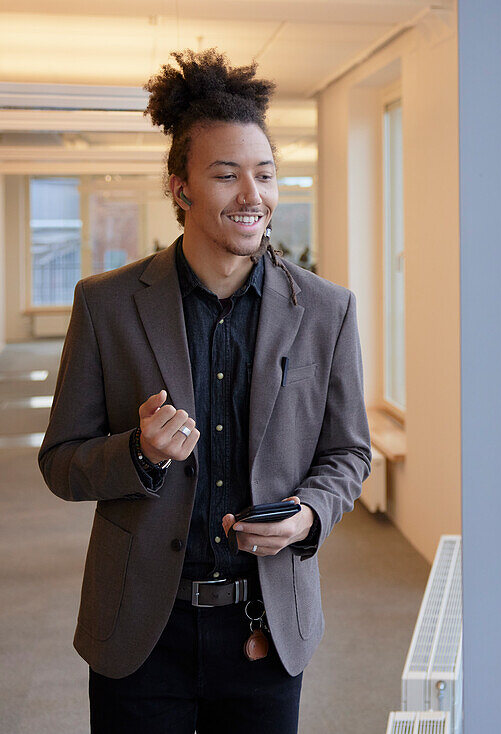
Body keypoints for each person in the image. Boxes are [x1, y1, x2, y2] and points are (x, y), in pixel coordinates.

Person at [38, 49, 371, 733]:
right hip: (141, 630)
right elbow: (61, 461)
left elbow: (349, 454)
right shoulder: (107, 305)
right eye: (226, 175)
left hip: (264, 628)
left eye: (265, 173)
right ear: (179, 187)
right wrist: (137, 453)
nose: (252, 195)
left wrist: (308, 517)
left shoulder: (326, 311)